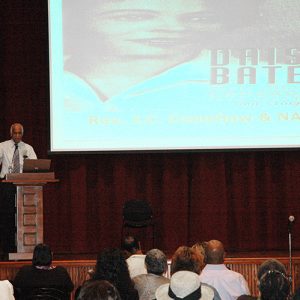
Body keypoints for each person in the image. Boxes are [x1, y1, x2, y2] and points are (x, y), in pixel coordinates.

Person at [0, 123, 37, 256]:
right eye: (15, 133)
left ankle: (23, 249)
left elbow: (36, 166)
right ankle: (7, 250)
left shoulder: (28, 148)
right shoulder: (3, 146)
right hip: (7, 186)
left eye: (19, 133)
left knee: (23, 217)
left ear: (22, 134)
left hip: (25, 186)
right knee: (7, 218)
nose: (17, 135)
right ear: (11, 134)